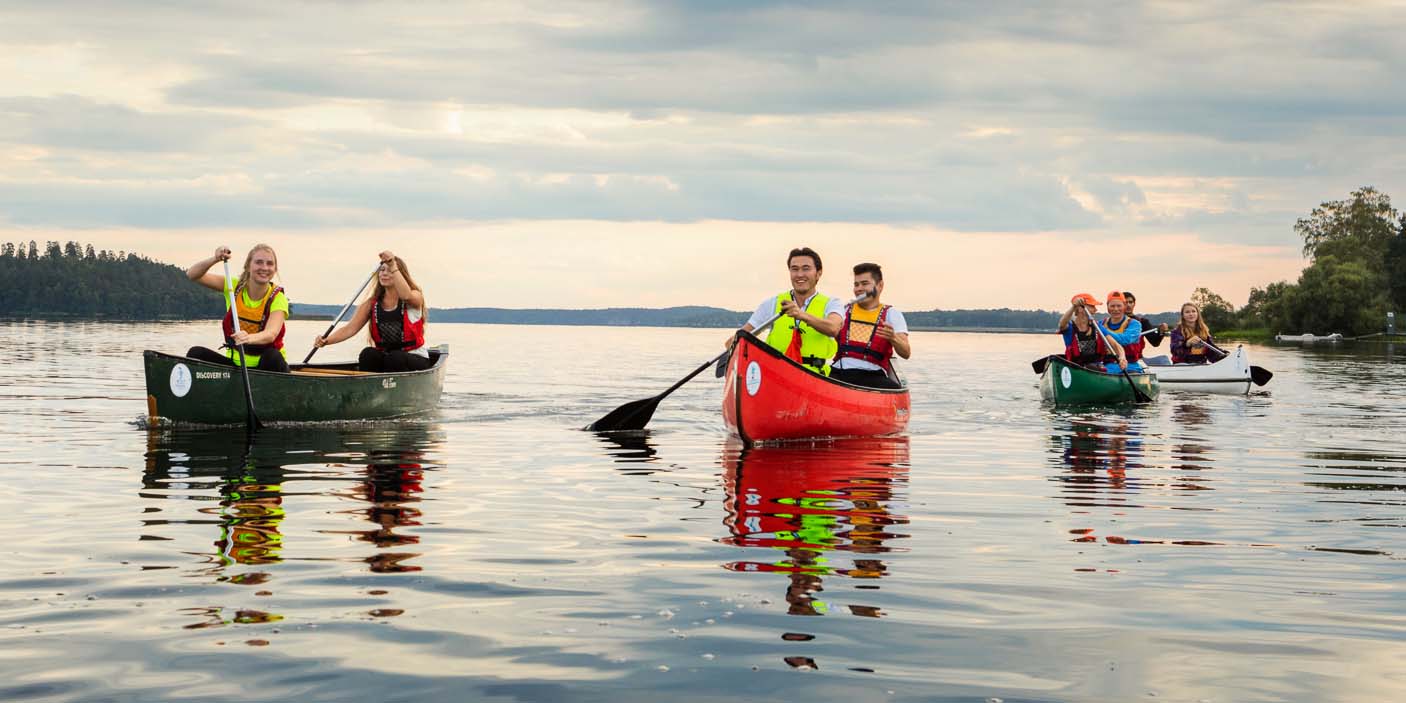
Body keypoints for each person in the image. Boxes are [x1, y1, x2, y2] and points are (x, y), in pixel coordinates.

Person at [728, 247, 844, 375]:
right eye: (794, 269)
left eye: (806, 269)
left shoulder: (832, 303)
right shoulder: (772, 303)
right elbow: (736, 340)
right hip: (776, 375)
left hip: (815, 377)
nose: (799, 274)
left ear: (818, 273)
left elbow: (833, 328)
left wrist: (801, 315)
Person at [314, 251, 432, 372]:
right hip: (388, 359)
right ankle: (369, 387)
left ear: (400, 274)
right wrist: (326, 340)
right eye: (382, 270)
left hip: (415, 358)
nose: (384, 274)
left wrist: (393, 265)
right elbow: (350, 329)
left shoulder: (415, 296)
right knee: (368, 354)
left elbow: (406, 296)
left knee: (396, 357)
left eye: (390, 270)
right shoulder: (371, 304)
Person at [185, 244, 290, 372]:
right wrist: (215, 259)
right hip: (236, 367)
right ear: (248, 266)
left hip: (267, 368)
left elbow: (271, 334)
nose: (264, 268)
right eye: (258, 262)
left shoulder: (278, 298)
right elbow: (193, 275)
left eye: (269, 264)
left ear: (275, 269)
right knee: (196, 354)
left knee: (272, 356)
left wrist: (248, 338)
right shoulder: (232, 287)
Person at [829, 263, 910, 389]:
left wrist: (893, 338)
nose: (859, 289)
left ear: (880, 285)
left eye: (865, 283)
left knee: (895, 389)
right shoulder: (842, 311)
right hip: (839, 374)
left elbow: (906, 353)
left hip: (874, 377)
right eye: (856, 285)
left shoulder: (892, 314)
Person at [1057, 293, 1128, 373]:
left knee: (1094, 367)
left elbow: (1115, 345)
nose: (1096, 310)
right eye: (1092, 306)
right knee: (1091, 367)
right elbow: (1061, 324)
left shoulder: (1097, 326)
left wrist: (1122, 357)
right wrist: (1073, 307)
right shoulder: (1069, 327)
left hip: (1096, 368)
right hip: (1075, 368)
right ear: (1081, 309)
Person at [1100, 291, 1145, 372]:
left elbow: (1125, 339)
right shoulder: (1101, 324)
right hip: (1107, 365)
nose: (1116, 309)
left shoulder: (1135, 324)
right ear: (1107, 307)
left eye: (1119, 306)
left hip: (1130, 366)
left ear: (1124, 306)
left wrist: (1103, 330)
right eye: (1112, 306)